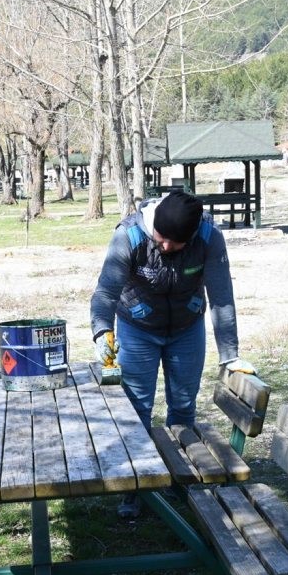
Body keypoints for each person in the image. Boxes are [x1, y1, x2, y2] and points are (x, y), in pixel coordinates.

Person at [90, 189, 255, 518]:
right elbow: (106, 291)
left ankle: (182, 483)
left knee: (182, 406)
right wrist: (101, 330)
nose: (165, 247)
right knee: (138, 409)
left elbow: (222, 297)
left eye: (174, 243)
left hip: (186, 328)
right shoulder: (130, 236)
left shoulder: (209, 239)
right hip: (137, 328)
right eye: (161, 238)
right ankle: (135, 489)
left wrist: (230, 354)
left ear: (192, 235)